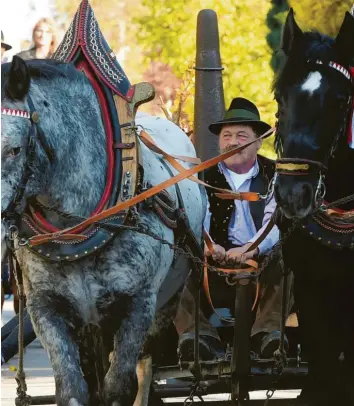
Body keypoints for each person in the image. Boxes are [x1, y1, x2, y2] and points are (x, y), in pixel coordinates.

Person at [174, 97, 293, 360]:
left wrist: (250, 250)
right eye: (227, 135)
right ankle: (199, 338)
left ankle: (267, 335)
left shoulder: (275, 175)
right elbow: (198, 216)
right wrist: (209, 247)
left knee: (288, 259)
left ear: (258, 141)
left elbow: (274, 221)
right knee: (178, 263)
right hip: (212, 261)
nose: (232, 142)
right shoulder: (202, 176)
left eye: (242, 135)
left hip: (261, 262)